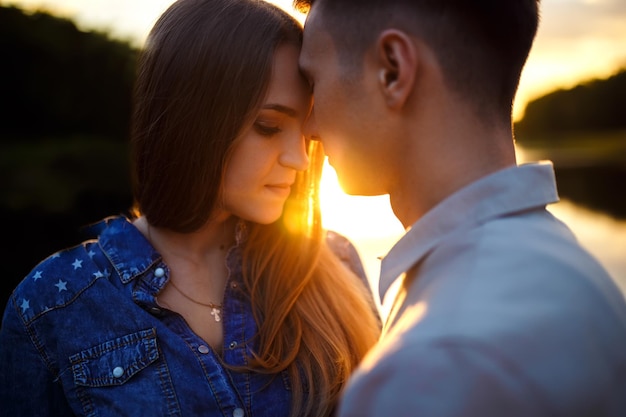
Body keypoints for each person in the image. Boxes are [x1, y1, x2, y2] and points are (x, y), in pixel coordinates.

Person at [0, 0, 381, 416]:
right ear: (194, 119)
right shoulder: (53, 305)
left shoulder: (335, 265)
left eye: (305, 130)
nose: (300, 159)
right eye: (269, 127)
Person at [294, 0, 626, 416]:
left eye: (314, 82)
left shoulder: (432, 369)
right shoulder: (575, 270)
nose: (308, 127)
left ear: (392, 70)